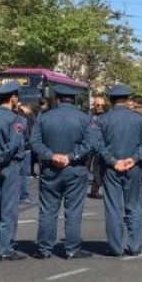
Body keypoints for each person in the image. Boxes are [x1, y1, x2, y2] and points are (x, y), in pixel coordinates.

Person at [31, 85, 97, 259]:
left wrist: (51, 155)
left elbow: (35, 142)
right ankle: (72, 248)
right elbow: (91, 143)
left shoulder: (43, 117)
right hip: (75, 168)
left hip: (50, 169)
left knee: (47, 210)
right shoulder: (84, 118)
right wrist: (71, 156)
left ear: (57, 99)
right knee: (73, 211)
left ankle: (44, 248)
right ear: (73, 100)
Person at [97, 85, 142, 257]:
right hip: (133, 167)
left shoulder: (102, 120)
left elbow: (97, 145)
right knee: (134, 206)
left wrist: (113, 161)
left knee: (113, 208)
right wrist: (134, 158)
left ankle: (115, 247)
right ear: (128, 100)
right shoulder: (139, 119)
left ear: (110, 100)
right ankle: (135, 245)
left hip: (110, 168)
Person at [0, 81, 26, 261]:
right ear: (13, 97)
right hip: (9, 166)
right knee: (8, 210)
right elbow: (13, 145)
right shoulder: (16, 119)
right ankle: (5, 249)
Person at [88, 96, 107, 199]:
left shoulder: (107, 116)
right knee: (84, 168)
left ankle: (94, 190)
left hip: (100, 146)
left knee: (98, 169)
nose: (100, 107)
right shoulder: (89, 115)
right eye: (98, 105)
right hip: (88, 145)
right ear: (94, 105)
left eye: (102, 105)